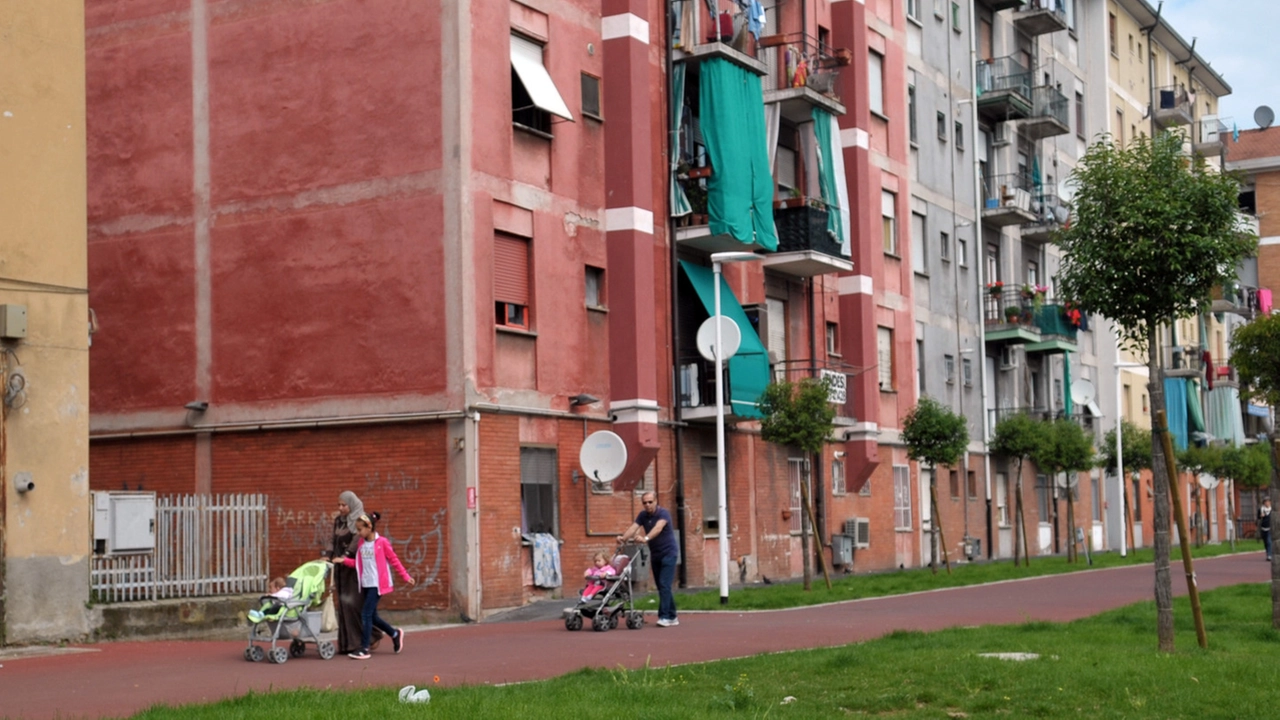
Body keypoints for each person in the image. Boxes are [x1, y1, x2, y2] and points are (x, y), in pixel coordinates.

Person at [341, 512, 415, 659]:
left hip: (377, 584)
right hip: (366, 583)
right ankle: (395, 634)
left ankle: (364, 648)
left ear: (369, 527)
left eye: (360, 529)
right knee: (372, 616)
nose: (358, 533)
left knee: (365, 614)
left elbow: (394, 560)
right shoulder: (362, 543)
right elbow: (359, 563)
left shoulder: (382, 542)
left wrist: (405, 576)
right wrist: (343, 561)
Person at [327, 491, 383, 655]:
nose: (341, 508)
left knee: (354, 605)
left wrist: (345, 557)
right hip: (340, 570)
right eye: (339, 505)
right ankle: (347, 644)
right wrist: (327, 555)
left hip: (353, 569)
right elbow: (333, 539)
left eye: (344, 505)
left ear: (352, 504)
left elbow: (356, 541)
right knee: (343, 606)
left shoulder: (360, 520)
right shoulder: (339, 521)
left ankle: (372, 637)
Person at [618, 491, 679, 627]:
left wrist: (645, 538)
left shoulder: (663, 514)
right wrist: (623, 538)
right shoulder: (642, 515)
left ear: (656, 501)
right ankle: (673, 615)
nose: (647, 505)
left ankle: (664, 617)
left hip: (669, 553)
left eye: (650, 502)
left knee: (664, 584)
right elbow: (634, 527)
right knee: (662, 586)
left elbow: (658, 528)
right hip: (655, 554)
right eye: (645, 502)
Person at [1259, 497, 1273, 561]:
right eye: (1265, 502)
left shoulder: (1272, 510)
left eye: (1268, 501)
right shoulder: (1261, 510)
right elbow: (1258, 518)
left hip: (1270, 528)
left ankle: (1270, 555)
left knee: (1269, 541)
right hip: (1263, 528)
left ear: (1270, 502)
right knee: (1265, 542)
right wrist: (1261, 516)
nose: (1267, 503)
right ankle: (1268, 553)